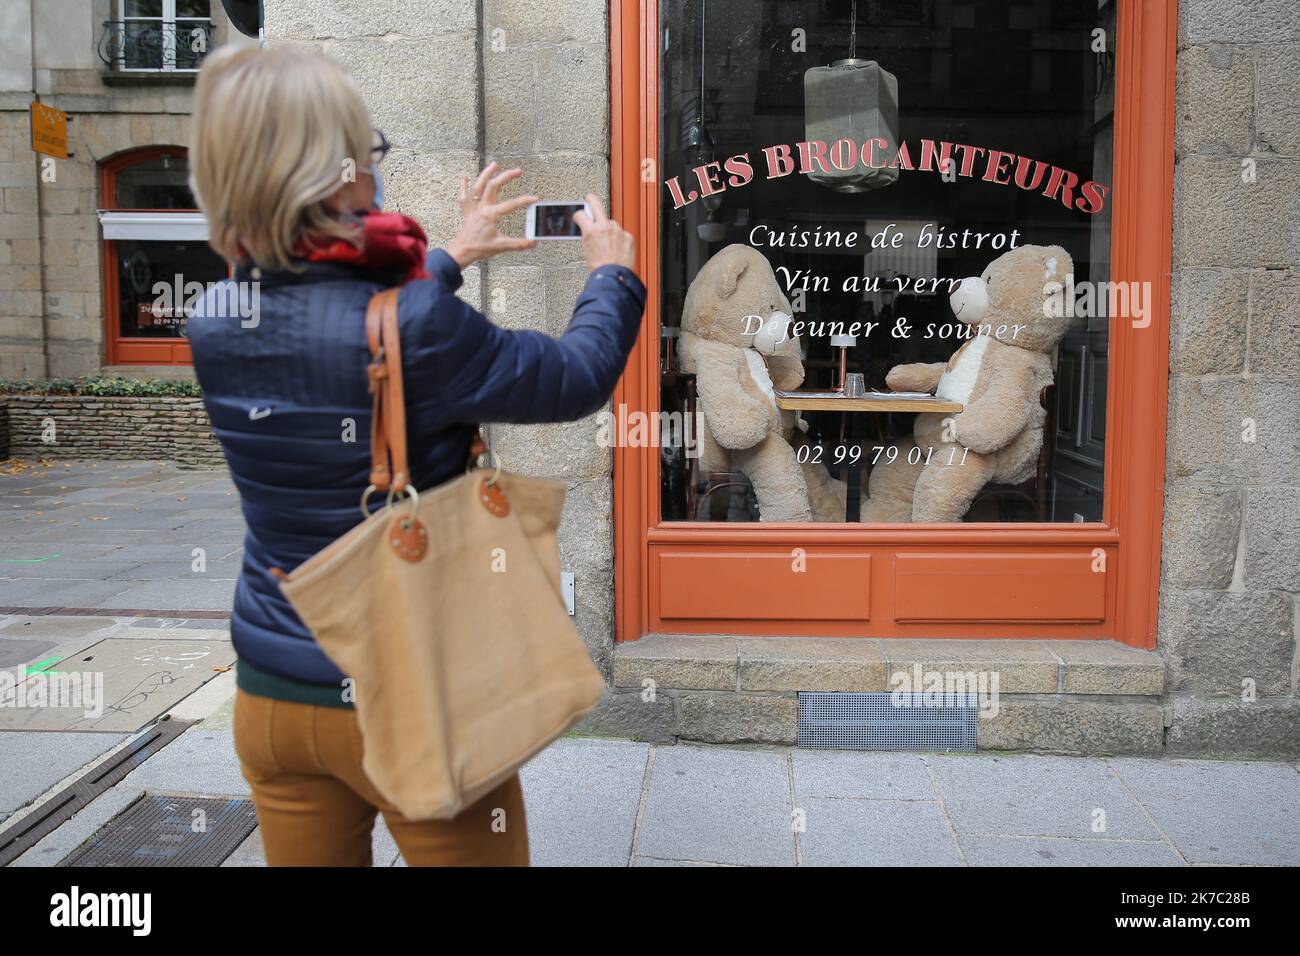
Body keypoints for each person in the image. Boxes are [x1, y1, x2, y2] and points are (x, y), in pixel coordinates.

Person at [185, 44, 643, 866]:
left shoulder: (216, 315)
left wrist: (451, 256)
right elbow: (573, 380)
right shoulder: (422, 323)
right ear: (335, 176)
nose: (375, 170)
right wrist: (610, 276)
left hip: (274, 697)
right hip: (411, 695)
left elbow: (338, 326)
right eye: (371, 153)